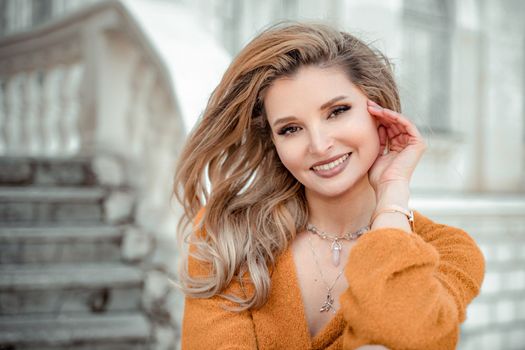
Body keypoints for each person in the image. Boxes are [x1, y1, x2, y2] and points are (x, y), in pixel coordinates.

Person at [172, 22, 485, 350]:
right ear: (273, 142)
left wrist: (392, 197)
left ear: (379, 112)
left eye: (337, 111)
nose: (319, 145)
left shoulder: (450, 251)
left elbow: (407, 337)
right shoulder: (227, 234)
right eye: (291, 129)